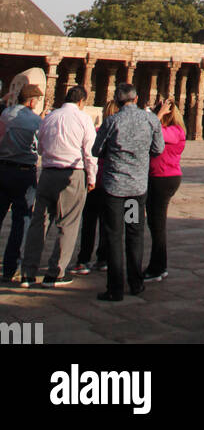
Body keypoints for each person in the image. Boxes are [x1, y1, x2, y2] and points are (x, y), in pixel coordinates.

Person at [92, 82, 164, 301]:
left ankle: (115, 288)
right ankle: (135, 283)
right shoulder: (150, 120)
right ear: (135, 98)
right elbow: (158, 149)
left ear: (117, 99)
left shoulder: (112, 121)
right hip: (136, 189)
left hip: (114, 190)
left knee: (114, 236)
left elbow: (96, 150)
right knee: (134, 234)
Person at [19, 85, 96, 288]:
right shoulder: (83, 119)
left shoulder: (50, 117)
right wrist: (92, 177)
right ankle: (55, 273)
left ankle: (28, 272)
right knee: (68, 224)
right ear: (81, 102)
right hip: (72, 173)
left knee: (39, 223)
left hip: (48, 172)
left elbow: (41, 147)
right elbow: (89, 151)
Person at [0, 83, 44, 282]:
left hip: (3, 168)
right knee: (21, 221)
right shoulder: (36, 121)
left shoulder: (6, 114)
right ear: (33, 101)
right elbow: (41, 148)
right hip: (24, 172)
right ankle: (10, 268)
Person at [72, 100, 119, 275]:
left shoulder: (97, 132)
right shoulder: (123, 134)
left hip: (95, 183)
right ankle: (104, 258)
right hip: (116, 186)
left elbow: (92, 153)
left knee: (89, 222)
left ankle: (83, 259)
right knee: (111, 222)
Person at [144, 98, 185, 281]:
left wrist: (157, 116)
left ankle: (158, 267)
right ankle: (157, 265)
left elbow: (155, 132)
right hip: (156, 177)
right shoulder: (166, 130)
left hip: (165, 178)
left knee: (158, 224)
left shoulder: (175, 131)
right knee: (153, 222)